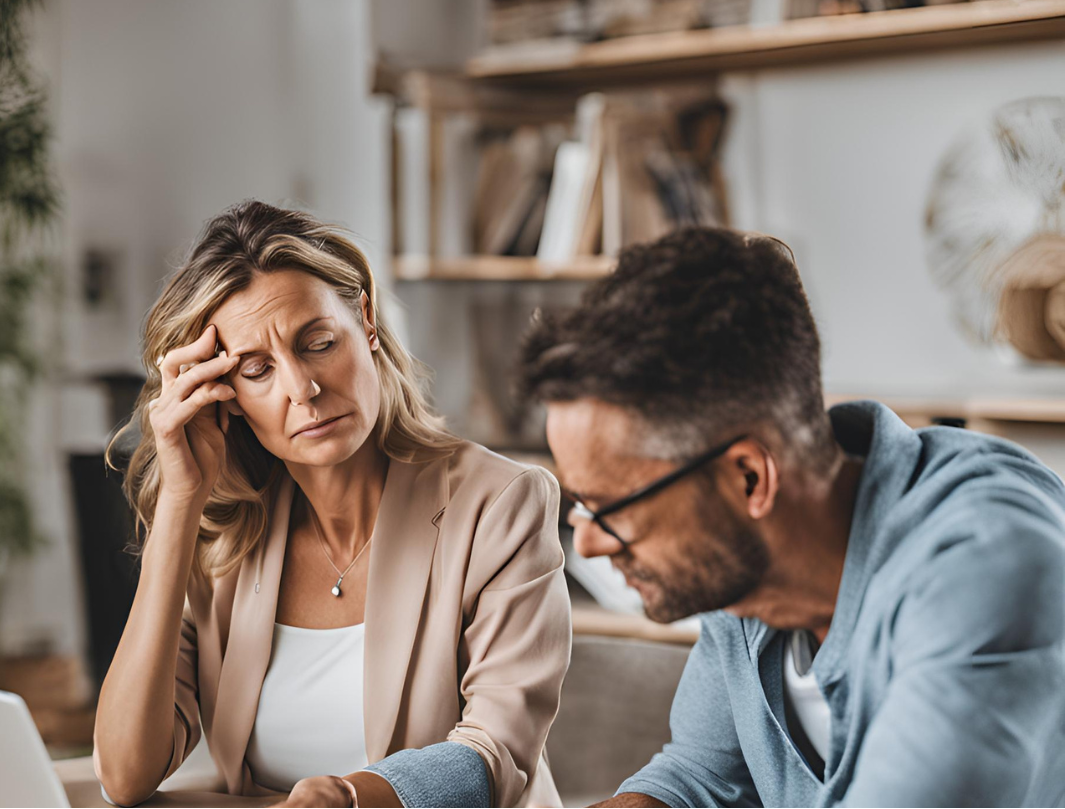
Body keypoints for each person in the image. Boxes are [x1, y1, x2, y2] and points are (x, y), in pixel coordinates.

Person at [517, 227, 1065, 807]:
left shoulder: (983, 568)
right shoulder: (749, 575)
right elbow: (695, 783)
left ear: (748, 478)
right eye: (578, 506)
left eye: (612, 507)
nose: (590, 544)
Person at [94, 201, 570, 808]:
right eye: (257, 369)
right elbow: (125, 776)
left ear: (365, 322)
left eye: (318, 342)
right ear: (226, 396)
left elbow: (496, 752)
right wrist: (181, 506)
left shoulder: (500, 504)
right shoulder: (225, 535)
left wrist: (349, 800)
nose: (303, 389)